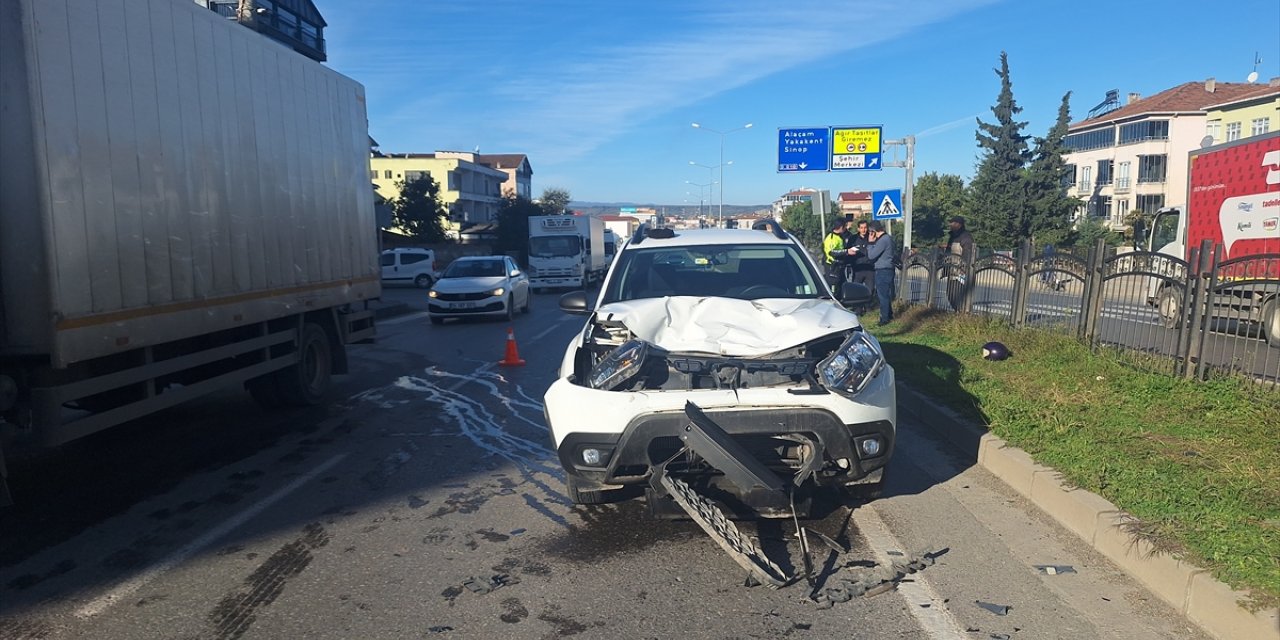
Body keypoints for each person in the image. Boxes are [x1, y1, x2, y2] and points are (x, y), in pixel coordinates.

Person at [864, 220, 895, 325]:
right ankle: (889, 315)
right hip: (886, 269)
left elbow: (872, 255)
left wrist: (870, 243)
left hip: (883, 270)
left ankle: (884, 318)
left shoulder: (883, 240)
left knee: (882, 295)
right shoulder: (887, 238)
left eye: (870, 232)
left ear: (873, 231)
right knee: (885, 294)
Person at [943, 216, 975, 311]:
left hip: (961, 272)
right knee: (950, 294)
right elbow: (949, 252)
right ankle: (959, 313)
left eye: (952, 223)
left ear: (959, 224)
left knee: (956, 295)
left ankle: (961, 313)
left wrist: (963, 268)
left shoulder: (966, 237)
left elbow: (967, 254)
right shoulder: (953, 236)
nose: (950, 225)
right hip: (952, 270)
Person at [822, 218, 855, 299]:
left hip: (840, 267)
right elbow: (831, 252)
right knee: (834, 291)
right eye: (845, 226)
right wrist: (847, 251)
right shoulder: (831, 238)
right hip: (832, 267)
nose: (846, 228)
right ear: (841, 227)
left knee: (842, 288)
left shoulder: (840, 237)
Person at [849, 219, 875, 292]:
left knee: (870, 290)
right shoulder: (853, 239)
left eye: (865, 227)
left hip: (870, 269)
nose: (863, 230)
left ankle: (869, 303)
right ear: (858, 229)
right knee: (855, 291)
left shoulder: (871, 238)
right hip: (858, 269)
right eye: (861, 228)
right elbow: (848, 252)